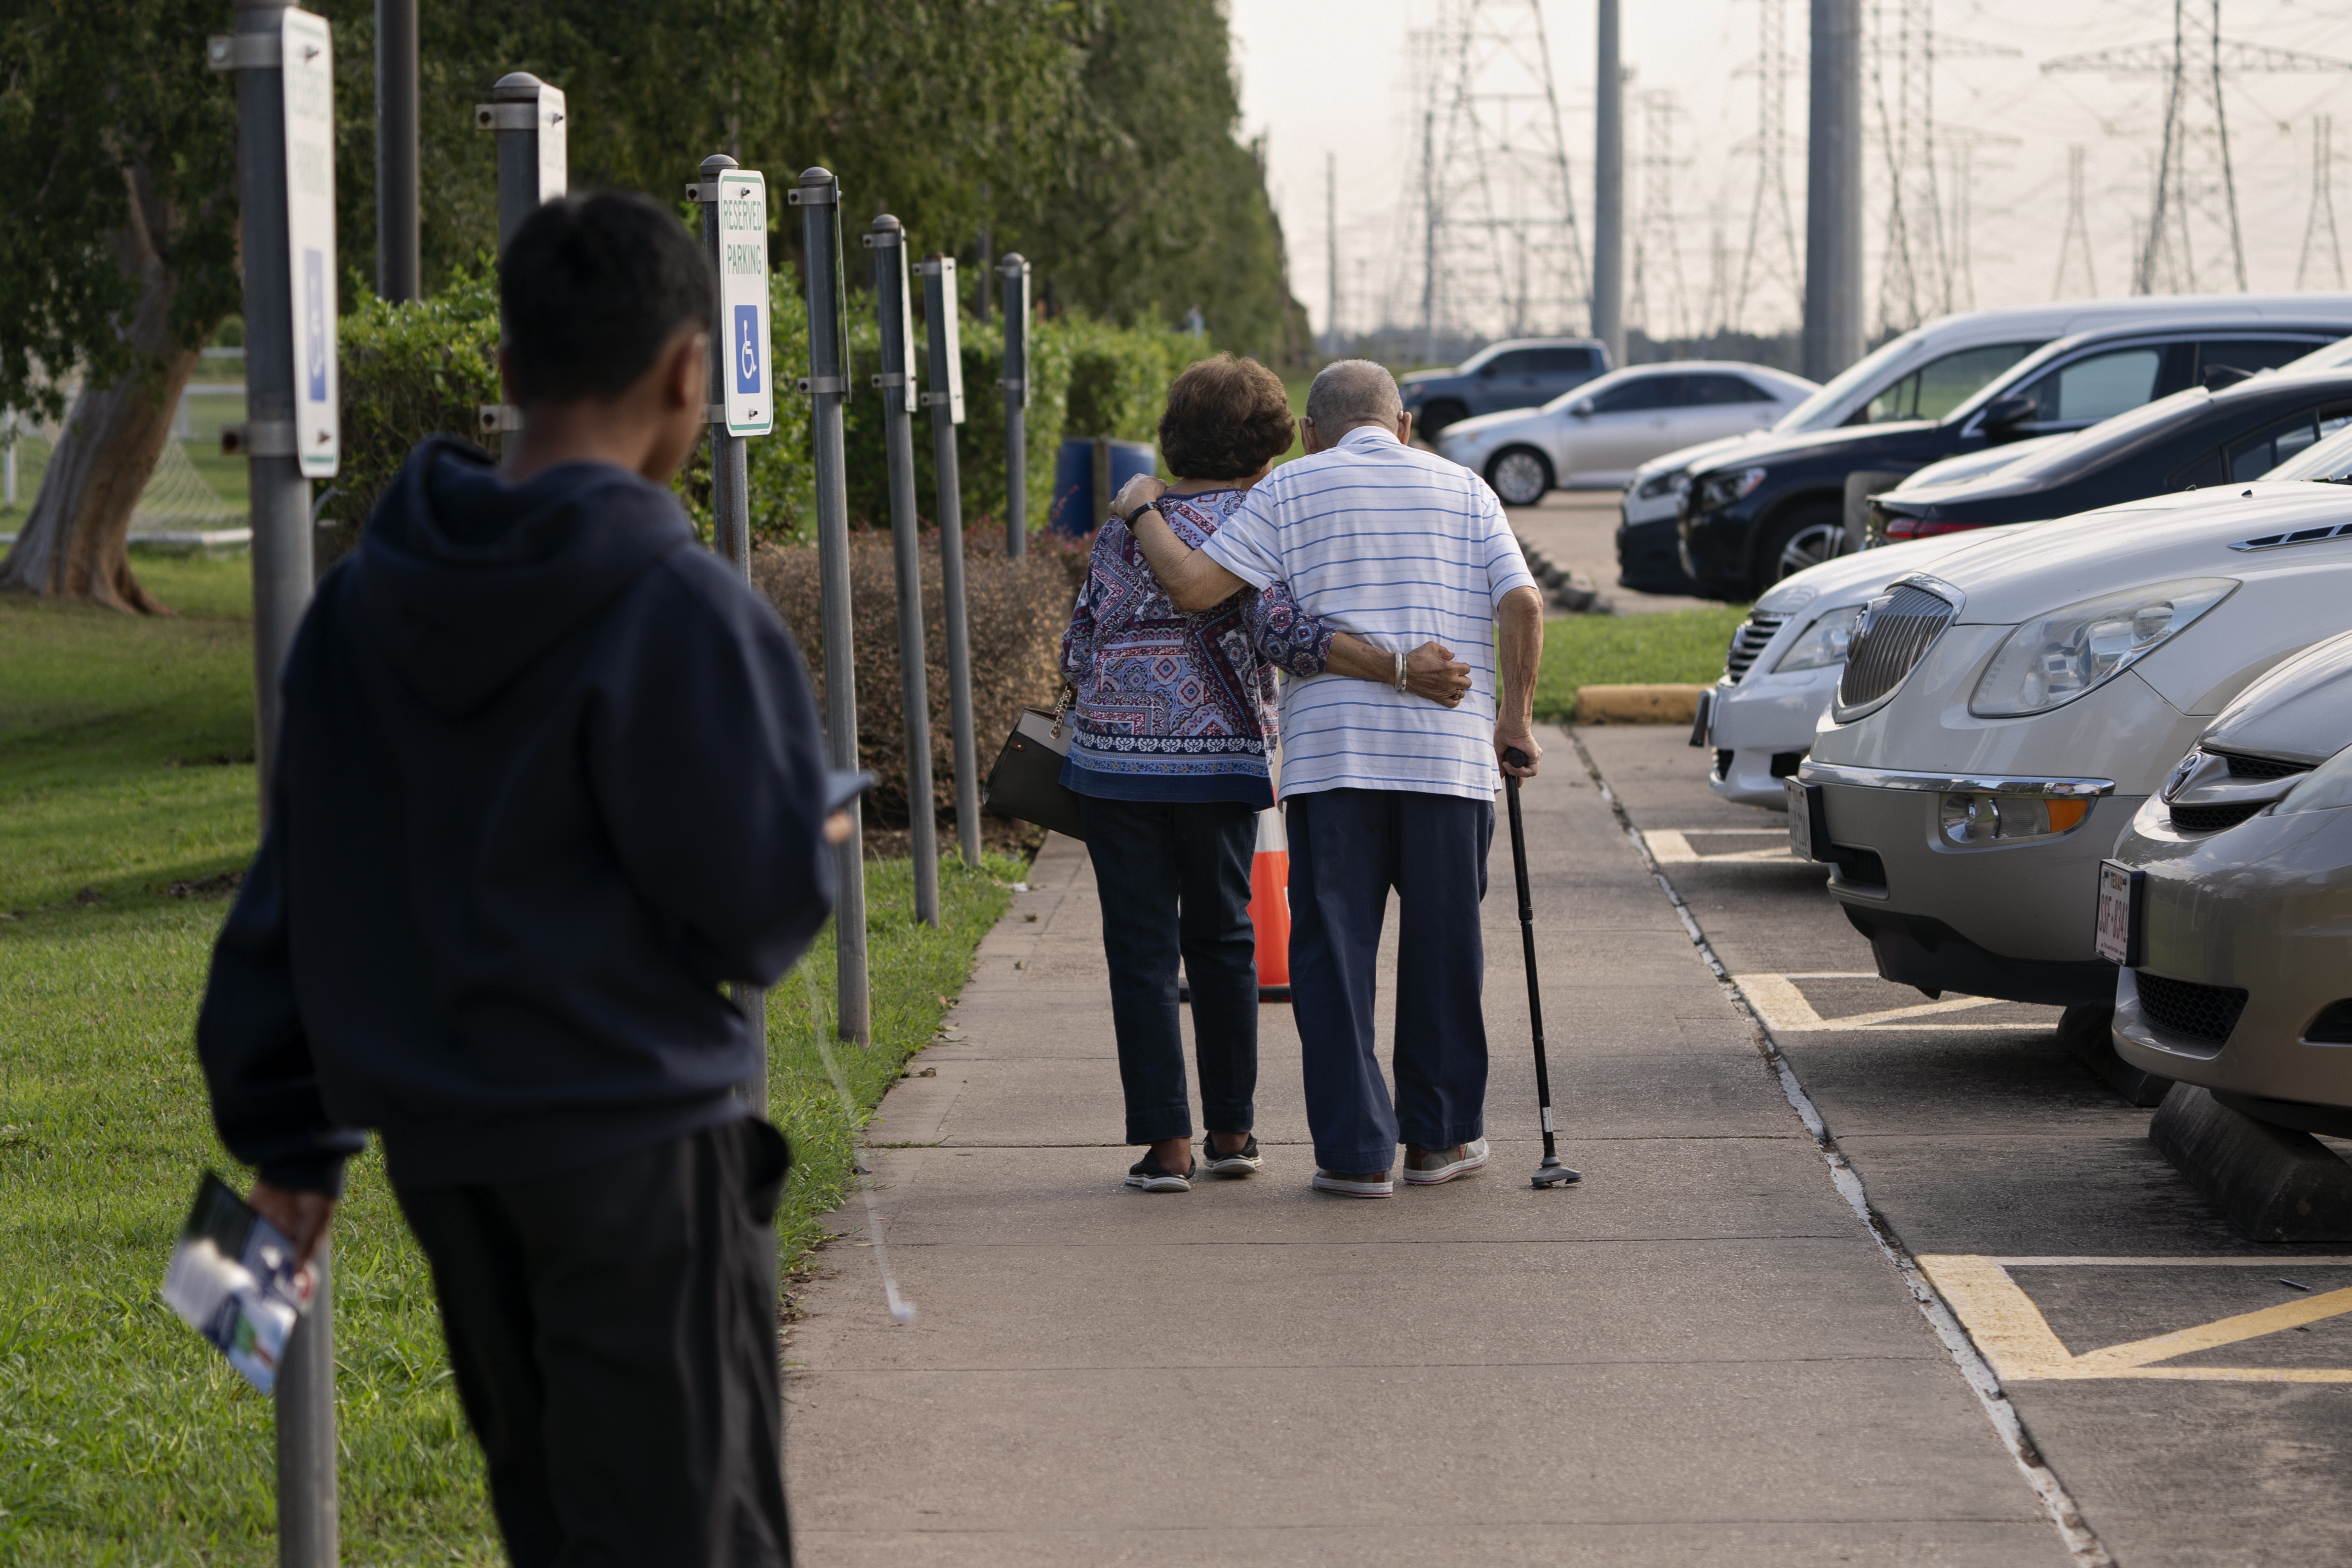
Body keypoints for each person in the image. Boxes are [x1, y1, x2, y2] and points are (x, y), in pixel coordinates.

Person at [196, 192, 839, 1564]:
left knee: (549, 1520)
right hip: (634, 1149)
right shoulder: (682, 607)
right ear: (685, 374)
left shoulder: (362, 605)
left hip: (449, 1161)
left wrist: (290, 1140)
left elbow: (299, 881)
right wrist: (806, 838)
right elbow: (754, 910)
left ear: (503, 372)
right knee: (692, 1531)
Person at [1112, 359, 1545, 1199]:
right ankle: (1439, 1141)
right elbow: (1523, 604)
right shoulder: (1467, 490)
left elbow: (1197, 587)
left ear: (1311, 434)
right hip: (1448, 766)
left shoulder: (1289, 492)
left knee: (1334, 960)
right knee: (1445, 952)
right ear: (1405, 424)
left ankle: (1352, 1155)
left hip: (1332, 764)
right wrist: (1513, 723)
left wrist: (1140, 508)